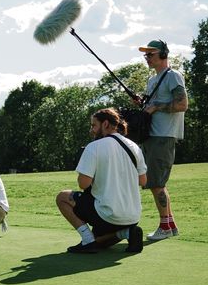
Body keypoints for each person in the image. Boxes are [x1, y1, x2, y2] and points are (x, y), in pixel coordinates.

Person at [56, 108, 147, 254]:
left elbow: (83, 184)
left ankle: (87, 240)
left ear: (105, 124)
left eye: (93, 125)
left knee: (62, 197)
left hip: (107, 216)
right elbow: (143, 181)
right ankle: (127, 233)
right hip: (133, 216)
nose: (91, 130)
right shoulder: (134, 146)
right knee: (101, 240)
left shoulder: (94, 147)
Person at [138, 40, 188, 241]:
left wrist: (157, 106)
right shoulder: (152, 80)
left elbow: (182, 104)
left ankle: (164, 228)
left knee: (156, 183)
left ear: (163, 54)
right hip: (151, 135)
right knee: (156, 183)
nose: (147, 58)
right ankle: (170, 225)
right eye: (146, 55)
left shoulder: (173, 76)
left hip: (163, 135)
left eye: (151, 54)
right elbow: (150, 104)